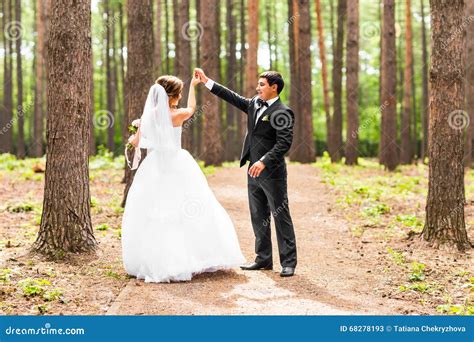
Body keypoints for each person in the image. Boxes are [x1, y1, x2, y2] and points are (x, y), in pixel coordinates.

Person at [121, 75, 245, 283]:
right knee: (189, 207)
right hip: (176, 164)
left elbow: (134, 143)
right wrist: (194, 87)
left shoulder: (147, 117)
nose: (180, 96)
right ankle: (189, 256)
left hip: (154, 166)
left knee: (155, 209)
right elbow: (192, 109)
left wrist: (136, 130)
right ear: (173, 96)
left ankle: (155, 259)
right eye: (179, 92)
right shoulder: (178, 115)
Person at [194, 68, 297, 277]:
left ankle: (289, 262)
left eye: (262, 85)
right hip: (252, 171)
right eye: (258, 84)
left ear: (274, 87)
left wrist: (264, 161)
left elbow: (284, 143)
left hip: (273, 173)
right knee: (258, 215)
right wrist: (207, 81)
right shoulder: (253, 104)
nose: (257, 88)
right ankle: (263, 259)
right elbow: (230, 96)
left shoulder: (282, 111)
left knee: (280, 215)